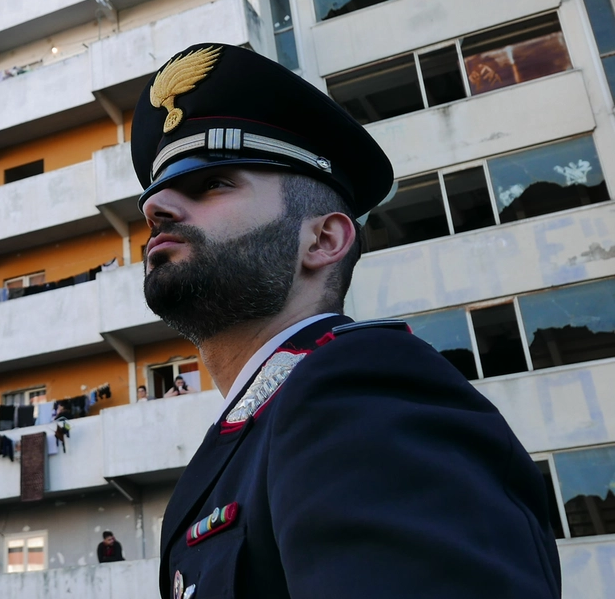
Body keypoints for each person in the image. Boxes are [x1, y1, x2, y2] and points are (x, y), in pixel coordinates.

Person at [130, 43, 560, 599]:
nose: (155, 208)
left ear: (323, 239)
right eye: (157, 195)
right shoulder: (253, 430)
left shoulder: (357, 386)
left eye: (213, 184)